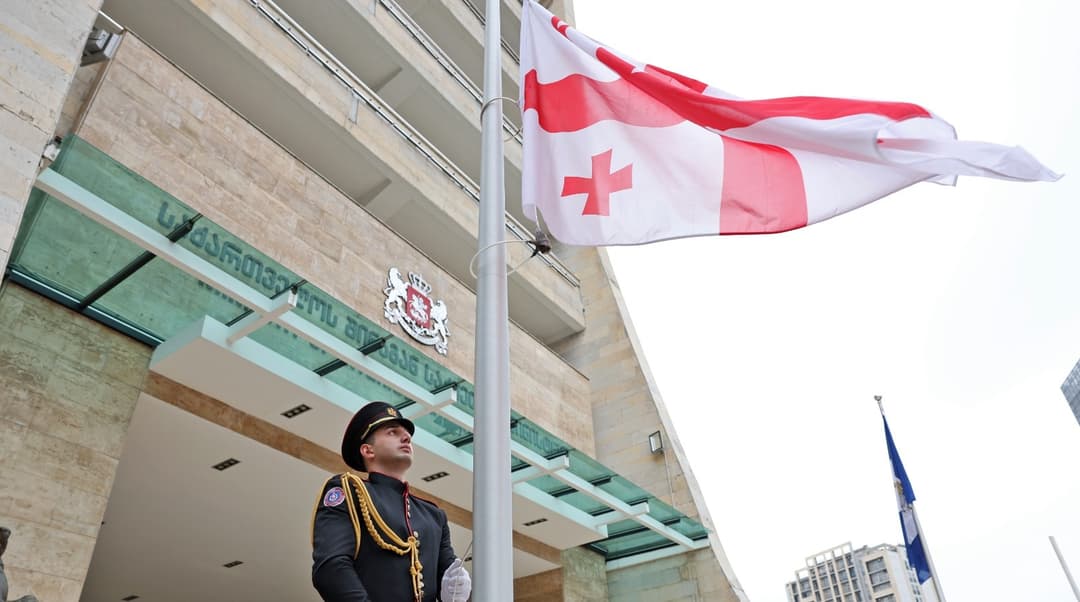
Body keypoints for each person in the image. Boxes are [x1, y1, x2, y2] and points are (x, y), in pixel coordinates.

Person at [311, 401, 471, 602]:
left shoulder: (434, 516)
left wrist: (457, 590)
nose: (406, 437)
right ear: (368, 451)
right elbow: (331, 568)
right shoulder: (349, 491)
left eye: (407, 435)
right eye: (392, 432)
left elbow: (448, 579)